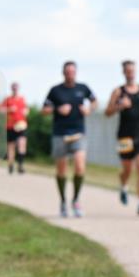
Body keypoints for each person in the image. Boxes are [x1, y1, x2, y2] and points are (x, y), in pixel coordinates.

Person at [42, 62, 96, 217]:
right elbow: (44, 109)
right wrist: (57, 109)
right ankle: (63, 201)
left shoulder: (83, 88)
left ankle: (76, 199)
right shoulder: (55, 90)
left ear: (76, 73)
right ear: (63, 73)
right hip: (60, 134)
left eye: (73, 72)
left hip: (79, 133)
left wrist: (89, 109)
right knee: (61, 170)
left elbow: (94, 101)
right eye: (68, 72)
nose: (70, 74)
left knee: (80, 166)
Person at [105, 60, 139, 215]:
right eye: (128, 71)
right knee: (127, 169)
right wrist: (120, 106)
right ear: (124, 72)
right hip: (124, 136)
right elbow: (107, 112)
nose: (131, 73)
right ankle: (124, 186)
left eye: (133, 70)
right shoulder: (118, 92)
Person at [0, 82, 29, 174]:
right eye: (13, 88)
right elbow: (1, 110)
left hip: (21, 125)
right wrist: (9, 109)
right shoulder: (7, 99)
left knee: (22, 144)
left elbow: (27, 109)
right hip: (10, 126)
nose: (15, 89)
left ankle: (20, 165)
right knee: (11, 147)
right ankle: (10, 165)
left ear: (18, 89)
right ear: (11, 89)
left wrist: (26, 111)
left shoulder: (22, 99)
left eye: (16, 88)